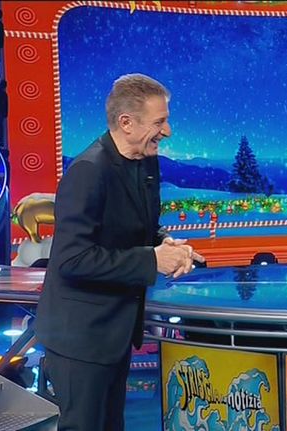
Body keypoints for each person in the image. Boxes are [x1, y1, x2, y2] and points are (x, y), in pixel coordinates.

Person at [34, 73, 204, 430]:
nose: (168, 131)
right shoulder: (88, 172)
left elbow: (137, 228)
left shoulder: (145, 162)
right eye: (159, 122)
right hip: (80, 337)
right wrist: (152, 259)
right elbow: (72, 259)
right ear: (127, 123)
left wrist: (165, 244)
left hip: (114, 331)